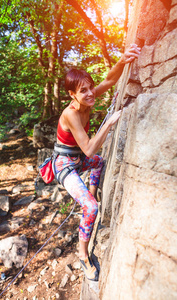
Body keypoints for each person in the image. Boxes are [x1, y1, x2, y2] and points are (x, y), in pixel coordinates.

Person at [54, 44, 141, 281]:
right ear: (72, 95)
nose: (91, 93)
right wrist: (109, 123)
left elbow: (109, 81)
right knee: (91, 207)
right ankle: (82, 255)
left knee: (99, 163)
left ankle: (91, 194)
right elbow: (90, 147)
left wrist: (123, 61)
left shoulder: (88, 99)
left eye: (90, 88)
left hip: (79, 160)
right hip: (64, 166)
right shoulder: (71, 114)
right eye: (84, 91)